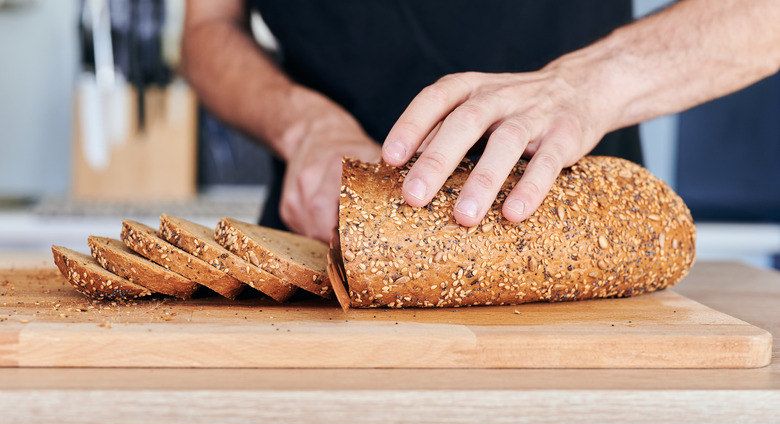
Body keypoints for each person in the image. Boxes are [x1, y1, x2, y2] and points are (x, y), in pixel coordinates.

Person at [182, 0, 780, 243]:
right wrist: (303, 125)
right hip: (324, 233)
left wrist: (592, 81)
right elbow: (208, 28)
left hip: (577, 233)